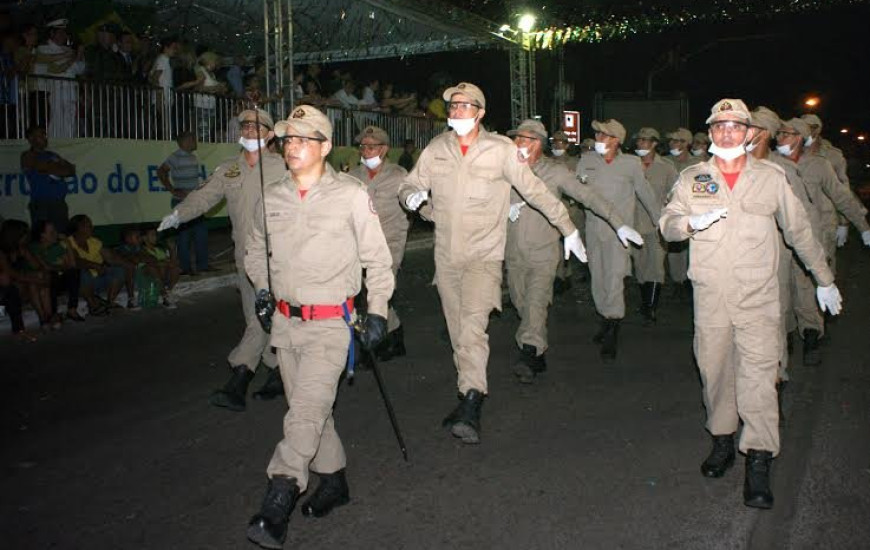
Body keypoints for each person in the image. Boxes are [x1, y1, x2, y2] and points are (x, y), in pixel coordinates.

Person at [660, 98, 842, 510]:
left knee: (760, 378)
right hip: (711, 299)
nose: (727, 132)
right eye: (720, 126)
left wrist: (824, 279)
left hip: (759, 299)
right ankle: (722, 440)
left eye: (735, 126)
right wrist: (689, 223)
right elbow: (667, 225)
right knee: (715, 372)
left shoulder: (771, 178)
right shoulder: (693, 178)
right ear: (711, 132)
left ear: (748, 133)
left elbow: (800, 231)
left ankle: (758, 458)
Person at [398, 82, 586, 444]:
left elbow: (535, 190)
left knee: (471, 329)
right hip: (446, 258)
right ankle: (465, 390)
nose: (456, 111)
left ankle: (472, 401)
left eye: (465, 106)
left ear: (480, 113)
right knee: (458, 333)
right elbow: (408, 185)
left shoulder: (501, 150)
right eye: (452, 106)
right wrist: (413, 199)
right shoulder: (437, 149)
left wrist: (568, 228)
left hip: (483, 258)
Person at [243, 104, 393, 548]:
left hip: (332, 324)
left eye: (304, 139)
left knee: (305, 410)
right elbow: (255, 249)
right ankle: (334, 480)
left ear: (325, 146)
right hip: (286, 325)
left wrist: (379, 310)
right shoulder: (273, 195)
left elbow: (377, 260)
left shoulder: (349, 194)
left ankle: (280, 495)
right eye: (288, 139)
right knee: (313, 409)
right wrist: (263, 290)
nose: (292, 146)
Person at [159, 109, 287, 408]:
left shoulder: (283, 166)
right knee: (258, 316)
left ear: (269, 134)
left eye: (257, 127)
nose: (249, 131)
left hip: (278, 257)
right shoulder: (229, 168)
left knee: (261, 317)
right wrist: (179, 214)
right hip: (244, 255)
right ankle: (279, 369)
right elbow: (203, 197)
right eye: (244, 126)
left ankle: (239, 377)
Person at [506, 120, 639, 382]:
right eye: (517, 139)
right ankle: (537, 350)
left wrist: (619, 223)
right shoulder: (504, 171)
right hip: (513, 253)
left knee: (535, 304)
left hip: (543, 253)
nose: (519, 144)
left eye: (526, 139)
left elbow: (589, 197)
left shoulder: (555, 172)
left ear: (538, 144)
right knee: (521, 304)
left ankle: (529, 354)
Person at [575, 119, 661, 361]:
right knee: (598, 277)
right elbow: (577, 190)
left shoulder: (631, 163)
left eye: (603, 135)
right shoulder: (587, 161)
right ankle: (604, 317)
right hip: (594, 230)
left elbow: (645, 193)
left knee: (614, 277)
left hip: (620, 234)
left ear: (616, 140)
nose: (598, 139)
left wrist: (660, 221)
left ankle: (613, 326)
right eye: (598, 134)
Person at [775, 118, 870, 276]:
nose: (778, 137)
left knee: (815, 287)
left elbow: (842, 197)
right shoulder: (770, 163)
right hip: (783, 240)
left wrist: (863, 226)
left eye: (785, 134)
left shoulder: (820, 165)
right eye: (778, 133)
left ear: (799, 137)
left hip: (817, 235)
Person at [350, 126, 410, 360]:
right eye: (363, 146)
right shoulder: (352, 177)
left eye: (372, 146)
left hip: (390, 243)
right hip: (360, 244)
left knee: (378, 291)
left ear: (384, 149)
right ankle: (395, 333)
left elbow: (411, 202)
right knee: (366, 291)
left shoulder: (399, 175)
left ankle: (374, 345)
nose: (366, 151)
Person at [632, 127, 678, 325]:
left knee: (656, 267)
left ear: (654, 143)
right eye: (639, 140)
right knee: (641, 267)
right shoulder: (630, 165)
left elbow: (676, 194)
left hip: (657, 225)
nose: (640, 143)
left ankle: (651, 309)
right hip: (634, 224)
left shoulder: (666, 167)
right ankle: (644, 303)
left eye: (644, 140)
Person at [157, 131, 211, 275]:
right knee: (184, 236)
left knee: (201, 234)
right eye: (193, 139)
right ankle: (185, 268)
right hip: (181, 202)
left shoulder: (193, 157)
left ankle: (203, 265)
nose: (196, 142)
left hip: (194, 201)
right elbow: (161, 171)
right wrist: (173, 190)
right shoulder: (175, 157)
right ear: (186, 141)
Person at [665, 127, 703, 299]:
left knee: (694, 249)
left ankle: (694, 282)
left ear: (687, 143)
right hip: (672, 211)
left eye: (677, 141)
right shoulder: (664, 162)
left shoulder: (698, 164)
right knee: (675, 249)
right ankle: (678, 282)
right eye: (671, 140)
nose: (673, 143)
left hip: (693, 212)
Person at [33, 19, 85, 137]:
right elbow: (56, 68)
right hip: (55, 90)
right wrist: (72, 57)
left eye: (64, 33)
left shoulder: (67, 49)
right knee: (56, 120)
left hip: (70, 91)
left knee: (70, 120)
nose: (63, 36)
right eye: (60, 33)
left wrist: (79, 55)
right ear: (52, 34)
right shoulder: (44, 48)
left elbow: (79, 69)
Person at [21, 124, 75, 234]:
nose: (45, 138)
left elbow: (71, 171)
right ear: (31, 138)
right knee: (42, 236)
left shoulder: (52, 154)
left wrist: (54, 167)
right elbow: (45, 168)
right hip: (42, 204)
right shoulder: (27, 156)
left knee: (61, 235)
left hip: (59, 203)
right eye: (41, 135)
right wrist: (58, 167)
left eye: (44, 135)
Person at [66, 214, 125, 315]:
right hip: (80, 285)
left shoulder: (94, 241)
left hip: (97, 279)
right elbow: (76, 261)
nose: (92, 227)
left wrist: (129, 263)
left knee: (118, 270)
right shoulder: (68, 242)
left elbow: (111, 258)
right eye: (88, 225)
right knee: (83, 272)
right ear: (79, 228)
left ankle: (109, 303)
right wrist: (96, 266)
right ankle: (93, 306)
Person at [29, 219, 83, 324]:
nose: (56, 234)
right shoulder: (34, 248)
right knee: (51, 275)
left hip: (59, 281)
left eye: (55, 231)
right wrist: (62, 267)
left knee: (73, 272)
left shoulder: (57, 247)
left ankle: (72, 309)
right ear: (42, 235)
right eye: (52, 232)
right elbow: (45, 267)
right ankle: (52, 314)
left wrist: (67, 242)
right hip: (41, 283)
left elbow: (72, 265)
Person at [140, 226, 180, 308]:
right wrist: (165, 263)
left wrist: (172, 250)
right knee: (156, 267)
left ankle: (168, 292)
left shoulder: (159, 250)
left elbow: (172, 262)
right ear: (144, 238)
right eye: (152, 235)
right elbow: (151, 263)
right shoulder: (142, 250)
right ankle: (165, 297)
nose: (155, 237)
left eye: (156, 235)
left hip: (161, 275)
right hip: (147, 278)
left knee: (175, 268)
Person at [114, 226, 145, 310]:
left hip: (137, 277)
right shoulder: (122, 249)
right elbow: (133, 259)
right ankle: (131, 299)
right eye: (137, 237)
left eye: (140, 236)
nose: (140, 239)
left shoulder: (138, 247)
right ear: (128, 238)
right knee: (129, 267)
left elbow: (144, 258)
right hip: (123, 280)